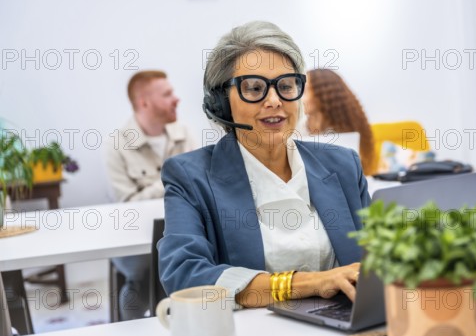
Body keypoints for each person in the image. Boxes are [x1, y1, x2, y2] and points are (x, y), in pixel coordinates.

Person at [158, 21, 370, 308]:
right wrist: (310, 283)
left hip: (343, 330)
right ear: (221, 103)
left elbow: (379, 257)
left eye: (286, 86)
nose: (274, 101)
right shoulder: (190, 177)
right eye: (255, 88)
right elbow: (184, 275)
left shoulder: (343, 164)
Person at [105, 70, 197, 320]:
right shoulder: (117, 146)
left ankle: (192, 327)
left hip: (181, 229)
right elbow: (127, 207)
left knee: (200, 264)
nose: (176, 99)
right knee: (140, 279)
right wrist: (173, 179)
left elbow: (199, 186)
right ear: (144, 102)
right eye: (167, 94)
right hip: (133, 237)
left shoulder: (185, 133)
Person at [302, 69, 376, 176]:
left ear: (323, 95)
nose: (299, 98)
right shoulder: (300, 127)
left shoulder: (346, 137)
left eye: (305, 91)